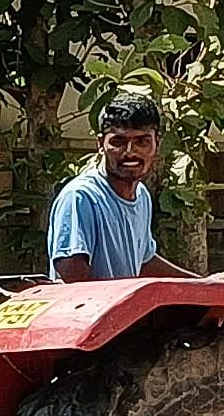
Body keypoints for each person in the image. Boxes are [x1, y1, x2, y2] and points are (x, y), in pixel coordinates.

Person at [46, 83, 193, 284]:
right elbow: (72, 278)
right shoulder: (81, 197)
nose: (130, 152)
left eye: (142, 141)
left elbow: (144, 263)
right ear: (101, 144)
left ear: (157, 144)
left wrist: (206, 285)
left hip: (124, 316)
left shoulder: (141, 196)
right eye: (118, 141)